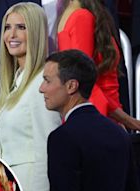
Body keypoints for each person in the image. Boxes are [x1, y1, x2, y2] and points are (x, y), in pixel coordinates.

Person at [26, 49, 138, 191]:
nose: (41, 89)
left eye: (47, 81)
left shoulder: (63, 138)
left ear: (71, 86)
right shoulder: (119, 133)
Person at [0, 2, 60, 191]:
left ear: (36, 32)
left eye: (21, 27)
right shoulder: (15, 83)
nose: (12, 34)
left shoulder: (41, 83)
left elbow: (47, 151)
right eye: (7, 27)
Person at [57, 0, 140, 130]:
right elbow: (85, 80)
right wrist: (128, 120)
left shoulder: (78, 13)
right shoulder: (81, 17)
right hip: (99, 121)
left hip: (102, 118)